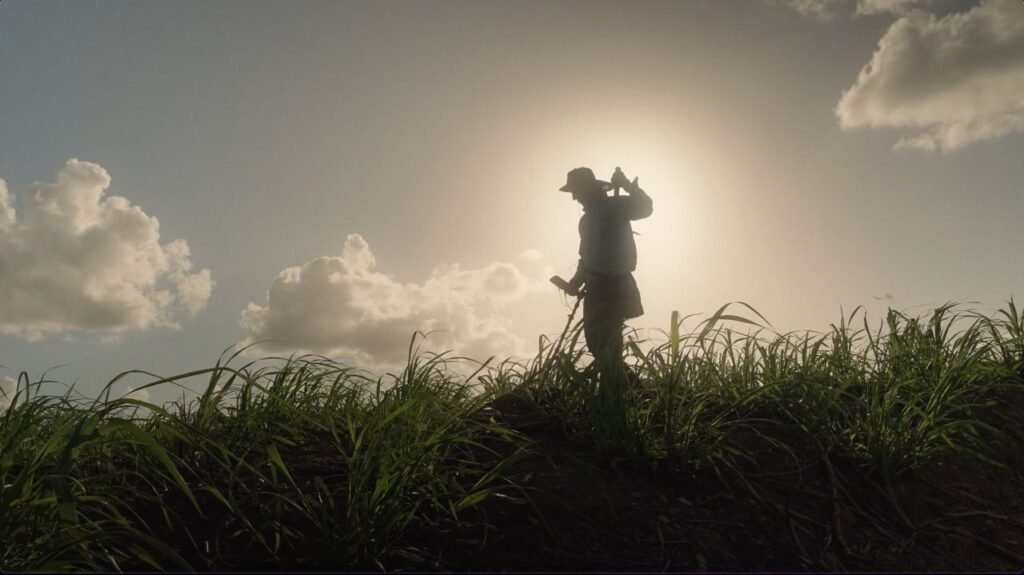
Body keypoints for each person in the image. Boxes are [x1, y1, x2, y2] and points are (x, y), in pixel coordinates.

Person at [556, 166, 653, 376]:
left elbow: (645, 208)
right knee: (599, 344)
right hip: (596, 286)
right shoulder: (587, 220)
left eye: (577, 191)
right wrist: (576, 282)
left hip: (613, 284)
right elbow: (587, 258)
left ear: (589, 188)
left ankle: (632, 393)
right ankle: (625, 392)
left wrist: (628, 186)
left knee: (604, 345)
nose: (574, 198)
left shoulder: (615, 206)